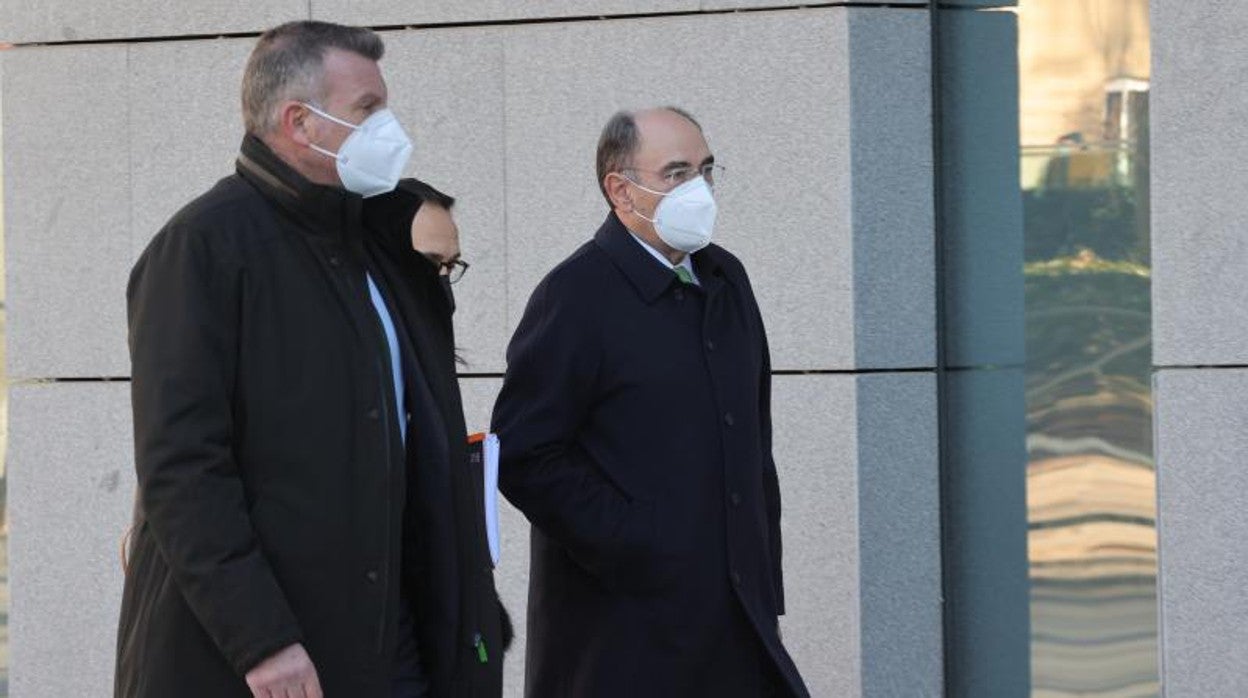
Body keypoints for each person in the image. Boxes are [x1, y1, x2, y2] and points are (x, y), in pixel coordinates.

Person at [115, 21, 506, 698]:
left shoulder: (374, 248)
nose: (390, 126)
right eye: (368, 109)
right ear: (301, 122)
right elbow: (184, 468)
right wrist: (261, 641)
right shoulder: (202, 249)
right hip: (269, 661)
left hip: (390, 646)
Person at [491, 107, 811, 697]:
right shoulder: (576, 294)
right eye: (676, 172)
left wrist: (765, 589)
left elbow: (752, 446)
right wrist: (639, 542)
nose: (700, 188)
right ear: (620, 190)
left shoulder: (726, 280)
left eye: (706, 169)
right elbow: (525, 453)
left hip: (737, 623)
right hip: (625, 637)